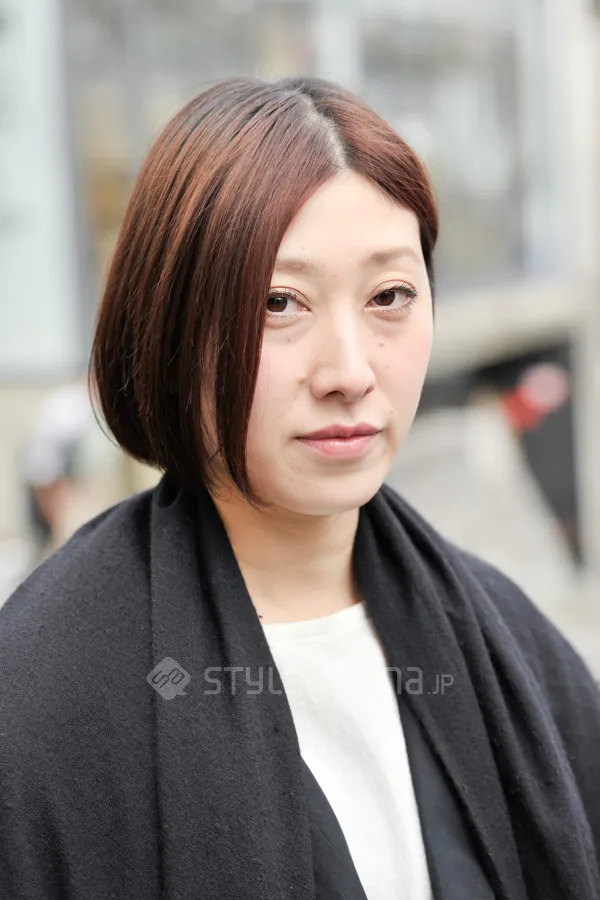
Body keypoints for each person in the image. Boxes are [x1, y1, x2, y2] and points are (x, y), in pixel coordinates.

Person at [0, 76, 599, 900]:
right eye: (279, 303)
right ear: (172, 325)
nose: (348, 372)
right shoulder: (43, 699)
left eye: (390, 296)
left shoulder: (509, 644)